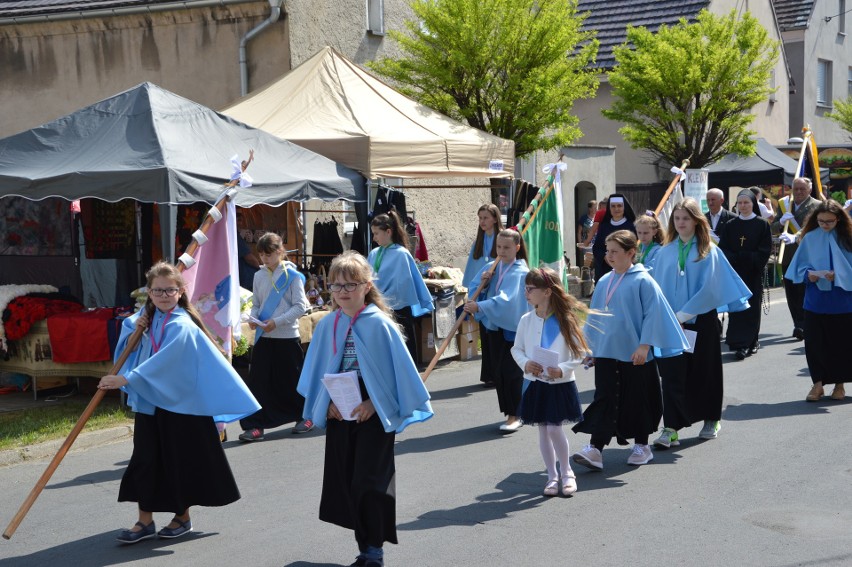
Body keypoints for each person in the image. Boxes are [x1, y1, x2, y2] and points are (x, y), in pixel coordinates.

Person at [98, 261, 260, 544]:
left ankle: (182, 517)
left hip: (181, 407)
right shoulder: (148, 318)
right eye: (157, 290)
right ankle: (144, 521)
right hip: (151, 404)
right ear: (148, 292)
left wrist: (125, 380)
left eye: (169, 290)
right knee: (145, 460)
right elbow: (130, 338)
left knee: (178, 463)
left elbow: (167, 360)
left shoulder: (183, 324)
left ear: (180, 291)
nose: (163, 295)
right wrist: (135, 326)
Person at [297, 251, 433, 567]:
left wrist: (375, 402)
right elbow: (317, 372)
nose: (343, 291)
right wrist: (325, 403)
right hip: (339, 407)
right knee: (346, 481)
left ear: (366, 286)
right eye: (336, 285)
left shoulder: (381, 325)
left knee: (368, 483)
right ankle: (365, 548)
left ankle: (374, 552)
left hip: (374, 411)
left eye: (350, 284)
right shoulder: (327, 324)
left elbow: (399, 374)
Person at [572, 231, 687, 470]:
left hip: (635, 353)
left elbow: (654, 314)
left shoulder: (643, 280)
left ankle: (642, 445)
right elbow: (596, 318)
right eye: (606, 249)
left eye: (615, 251)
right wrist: (591, 347)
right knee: (604, 398)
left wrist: (645, 345)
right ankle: (595, 448)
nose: (609, 255)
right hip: (607, 352)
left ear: (631, 253)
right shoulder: (604, 281)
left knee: (638, 399)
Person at [650, 198, 751, 447]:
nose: (681, 223)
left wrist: (684, 315)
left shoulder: (709, 250)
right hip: (671, 323)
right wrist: (666, 317)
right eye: (677, 218)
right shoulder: (665, 251)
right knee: (672, 375)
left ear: (696, 220)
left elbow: (711, 289)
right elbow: (657, 288)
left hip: (700, 322)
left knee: (705, 372)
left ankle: (711, 418)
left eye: (686, 218)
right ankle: (671, 427)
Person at [511, 267, 587, 497]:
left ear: (546, 292)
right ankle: (552, 476)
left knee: (554, 428)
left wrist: (561, 370)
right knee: (543, 430)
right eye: (525, 288)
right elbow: (517, 349)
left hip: (560, 384)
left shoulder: (566, 319)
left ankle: (567, 473)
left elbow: (580, 353)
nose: (526, 293)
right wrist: (526, 363)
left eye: (530, 289)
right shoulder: (526, 320)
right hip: (535, 383)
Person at [239, 233, 311, 441]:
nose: (264, 259)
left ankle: (305, 416)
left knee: (292, 380)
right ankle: (255, 425)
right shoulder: (258, 275)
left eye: (269, 255)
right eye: (261, 255)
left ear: (280, 252)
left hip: (287, 337)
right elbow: (257, 304)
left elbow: (301, 306)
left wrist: (276, 322)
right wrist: (253, 318)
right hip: (264, 337)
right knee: (259, 382)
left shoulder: (292, 275)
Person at [784, 200, 852, 402]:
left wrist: (839, 274)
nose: (825, 225)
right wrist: (810, 275)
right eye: (821, 221)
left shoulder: (847, 238)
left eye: (829, 222)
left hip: (843, 300)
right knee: (814, 344)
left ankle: (839, 385)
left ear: (838, 219)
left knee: (841, 344)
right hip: (816, 300)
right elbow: (798, 268)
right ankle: (817, 385)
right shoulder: (809, 238)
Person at [464, 228, 530, 432]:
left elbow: (508, 300)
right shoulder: (491, 267)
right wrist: (482, 286)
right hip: (493, 326)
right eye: (499, 247)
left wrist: (480, 307)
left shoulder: (521, 272)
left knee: (511, 372)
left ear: (517, 248)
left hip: (511, 328)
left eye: (507, 247)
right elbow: (474, 288)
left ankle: (515, 414)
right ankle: (511, 411)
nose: (501, 251)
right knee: (498, 373)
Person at [368, 210, 434, 364]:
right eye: (373, 233)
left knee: (404, 347)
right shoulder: (374, 253)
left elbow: (403, 285)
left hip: (399, 309)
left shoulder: (401, 254)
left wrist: (385, 299)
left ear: (388, 232)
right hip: (378, 307)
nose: (374, 237)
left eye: (377, 233)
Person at [718, 190, 772, 360]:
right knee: (737, 308)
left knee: (752, 308)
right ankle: (738, 344)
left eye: (746, 203)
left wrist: (745, 257)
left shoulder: (762, 224)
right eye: (740, 203)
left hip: (753, 273)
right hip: (735, 273)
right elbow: (723, 249)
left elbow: (765, 250)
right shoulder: (730, 225)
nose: (743, 206)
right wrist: (735, 258)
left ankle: (752, 341)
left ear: (753, 204)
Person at [773, 177, 822, 340]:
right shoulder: (784, 204)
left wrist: (796, 236)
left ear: (809, 189)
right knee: (791, 292)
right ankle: (797, 323)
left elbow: (814, 227)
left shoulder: (817, 205)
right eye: (796, 189)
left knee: (803, 291)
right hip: (787, 255)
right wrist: (780, 222)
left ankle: (804, 324)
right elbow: (772, 228)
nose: (799, 192)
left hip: (807, 255)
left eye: (802, 189)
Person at [462, 204, 504, 388]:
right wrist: (473, 291)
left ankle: (500, 372)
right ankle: (489, 373)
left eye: (486, 218)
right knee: (485, 334)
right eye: (480, 218)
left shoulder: (501, 239)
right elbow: (473, 268)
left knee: (497, 333)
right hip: (482, 291)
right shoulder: (478, 243)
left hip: (497, 290)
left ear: (495, 218)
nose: (482, 222)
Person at [591, 194, 637, 283]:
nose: (616, 209)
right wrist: (606, 257)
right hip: (605, 270)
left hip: (625, 270)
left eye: (619, 206)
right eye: (613, 206)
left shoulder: (632, 226)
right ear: (609, 208)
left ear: (624, 207)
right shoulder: (604, 226)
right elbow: (597, 247)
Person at [576, 200, 597, 268]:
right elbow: (579, 232)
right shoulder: (584, 218)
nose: (596, 209)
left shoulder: (597, 218)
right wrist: (580, 243)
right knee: (588, 263)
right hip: (587, 244)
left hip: (596, 244)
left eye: (596, 207)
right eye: (594, 207)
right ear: (590, 208)